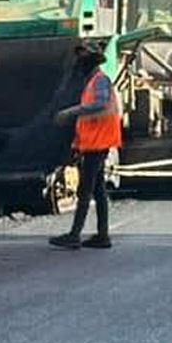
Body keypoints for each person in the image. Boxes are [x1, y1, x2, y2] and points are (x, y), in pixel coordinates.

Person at [48, 44, 122, 250]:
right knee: (98, 189)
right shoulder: (93, 82)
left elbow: (99, 105)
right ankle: (102, 235)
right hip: (94, 143)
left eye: (82, 63)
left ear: (89, 64)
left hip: (98, 143)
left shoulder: (99, 82)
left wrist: (70, 112)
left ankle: (74, 234)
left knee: (86, 189)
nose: (79, 67)